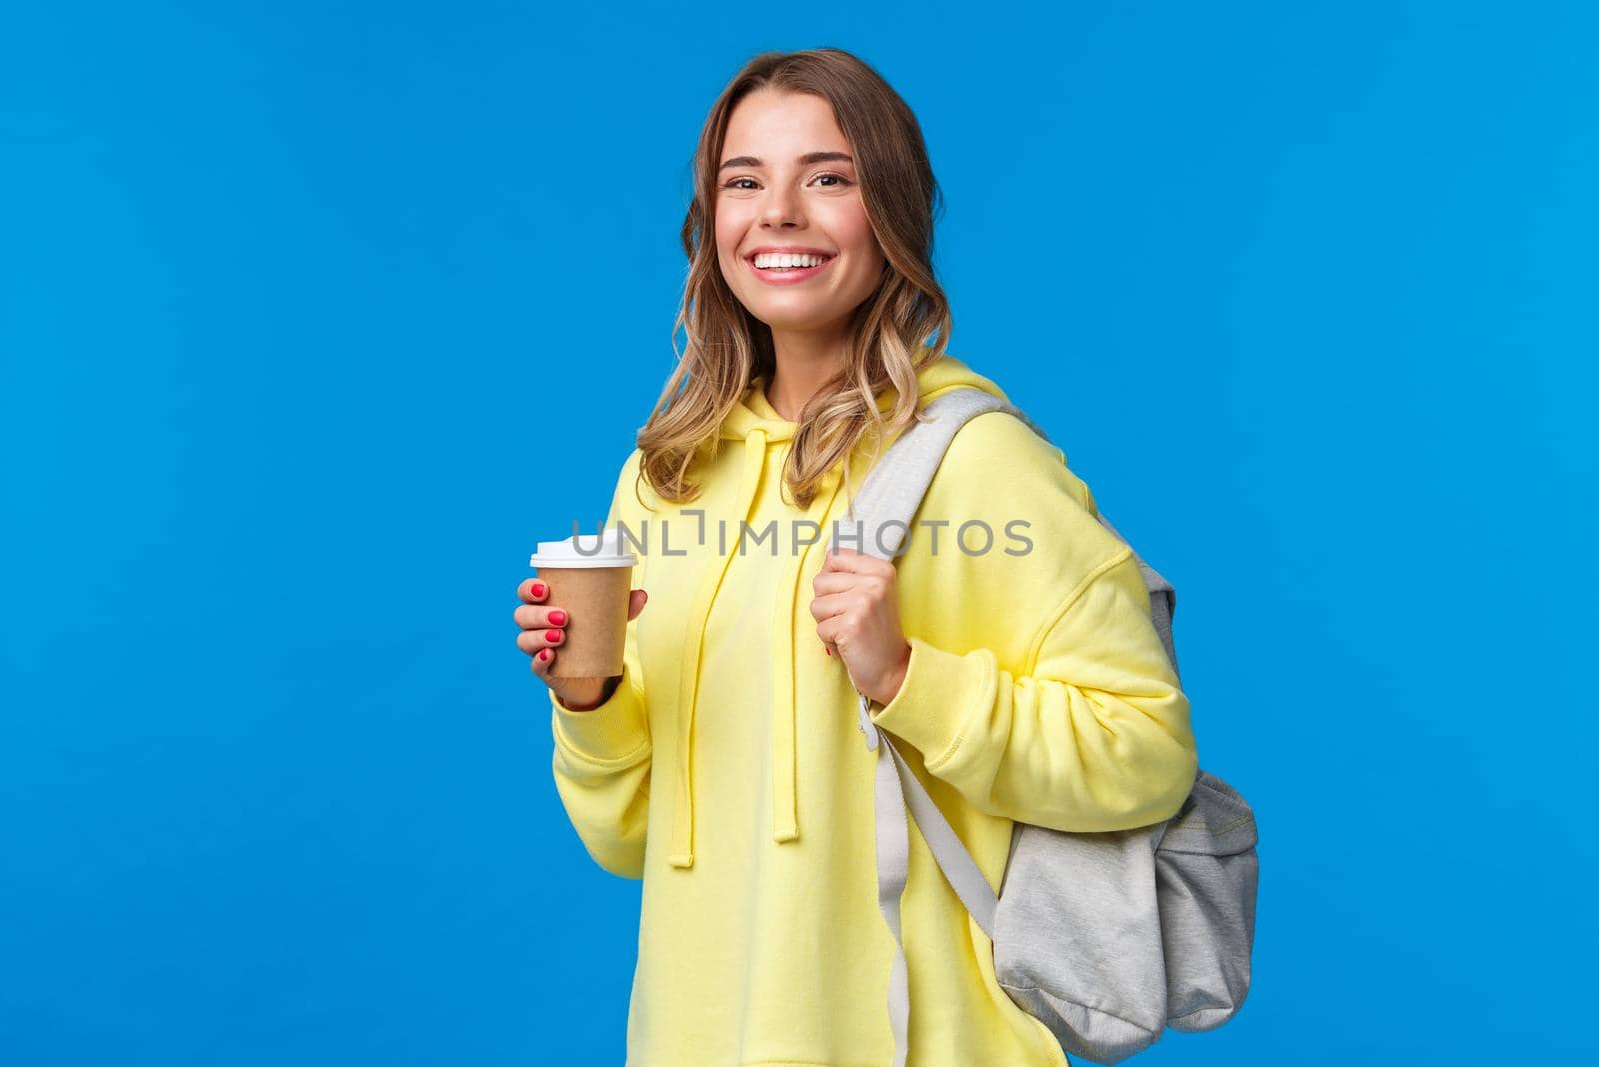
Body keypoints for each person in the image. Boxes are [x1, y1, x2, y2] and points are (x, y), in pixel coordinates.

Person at [513, 47, 1199, 1067]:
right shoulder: (664, 476)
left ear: (891, 214)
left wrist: (906, 676)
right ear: (712, 223)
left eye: (825, 177)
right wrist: (590, 697)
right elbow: (628, 841)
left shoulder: (977, 462)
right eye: (743, 181)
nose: (778, 211)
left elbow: (1147, 755)